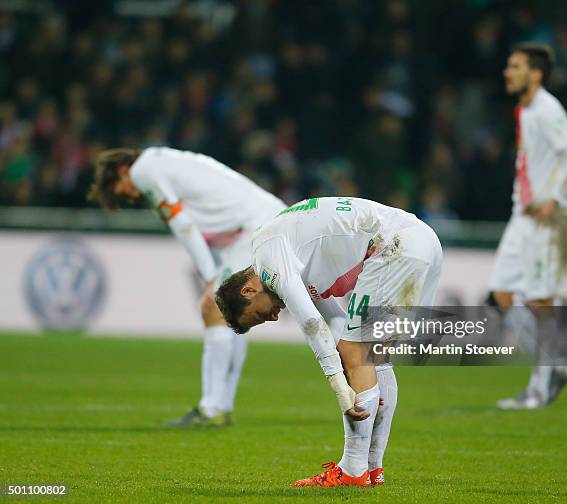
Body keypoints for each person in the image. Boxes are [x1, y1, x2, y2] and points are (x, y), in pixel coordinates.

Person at [215, 196, 442, 487]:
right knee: (373, 356)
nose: (271, 318)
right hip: (423, 240)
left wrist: (340, 388)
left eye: (258, 316)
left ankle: (352, 471)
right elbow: (334, 321)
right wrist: (348, 371)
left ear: (248, 290)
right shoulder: (291, 254)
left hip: (395, 244)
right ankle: (372, 469)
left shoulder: (268, 257)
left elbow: (311, 323)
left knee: (355, 351)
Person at [88, 146, 286, 426]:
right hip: (262, 221)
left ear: (123, 170)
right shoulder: (162, 160)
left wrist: (208, 278)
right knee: (234, 313)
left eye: (122, 189)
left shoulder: (144, 171)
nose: (131, 196)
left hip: (254, 227)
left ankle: (211, 409)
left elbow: (183, 226)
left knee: (213, 305)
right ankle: (221, 405)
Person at [489, 44, 567, 409]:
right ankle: (558, 368)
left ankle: (537, 389)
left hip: (548, 219)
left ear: (535, 74)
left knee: (539, 301)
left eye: (514, 66)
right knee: (502, 294)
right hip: (523, 216)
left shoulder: (547, 109)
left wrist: (555, 198)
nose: (507, 72)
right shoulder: (526, 109)